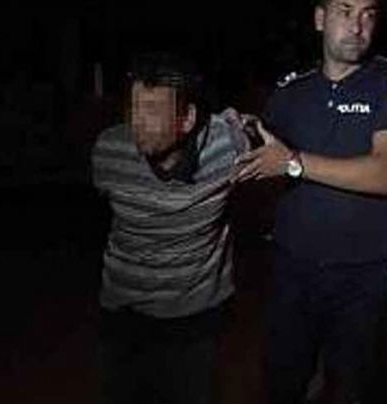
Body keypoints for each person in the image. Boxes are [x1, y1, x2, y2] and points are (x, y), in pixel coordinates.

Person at [235, 0, 387, 402]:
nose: (357, 26)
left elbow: (385, 173)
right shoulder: (291, 91)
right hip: (293, 268)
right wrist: (241, 131)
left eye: (368, 13)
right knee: (281, 384)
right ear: (320, 19)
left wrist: (294, 163)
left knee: (350, 390)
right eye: (345, 10)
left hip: (364, 276)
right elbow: (266, 157)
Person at [92, 52, 249, 404]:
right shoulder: (109, 149)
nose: (138, 121)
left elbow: (253, 138)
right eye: (134, 107)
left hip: (195, 321)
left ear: (188, 118)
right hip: (124, 316)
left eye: (153, 110)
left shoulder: (226, 146)